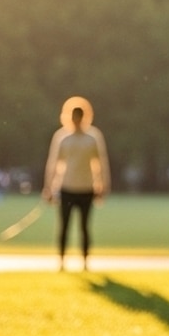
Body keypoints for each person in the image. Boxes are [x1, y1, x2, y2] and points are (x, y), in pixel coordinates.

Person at [42, 95, 110, 272]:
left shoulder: (92, 138)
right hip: (67, 188)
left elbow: (100, 164)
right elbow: (54, 164)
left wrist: (103, 186)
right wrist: (48, 187)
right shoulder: (63, 138)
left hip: (86, 188)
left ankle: (85, 262)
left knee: (84, 228)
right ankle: (62, 262)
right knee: (63, 227)